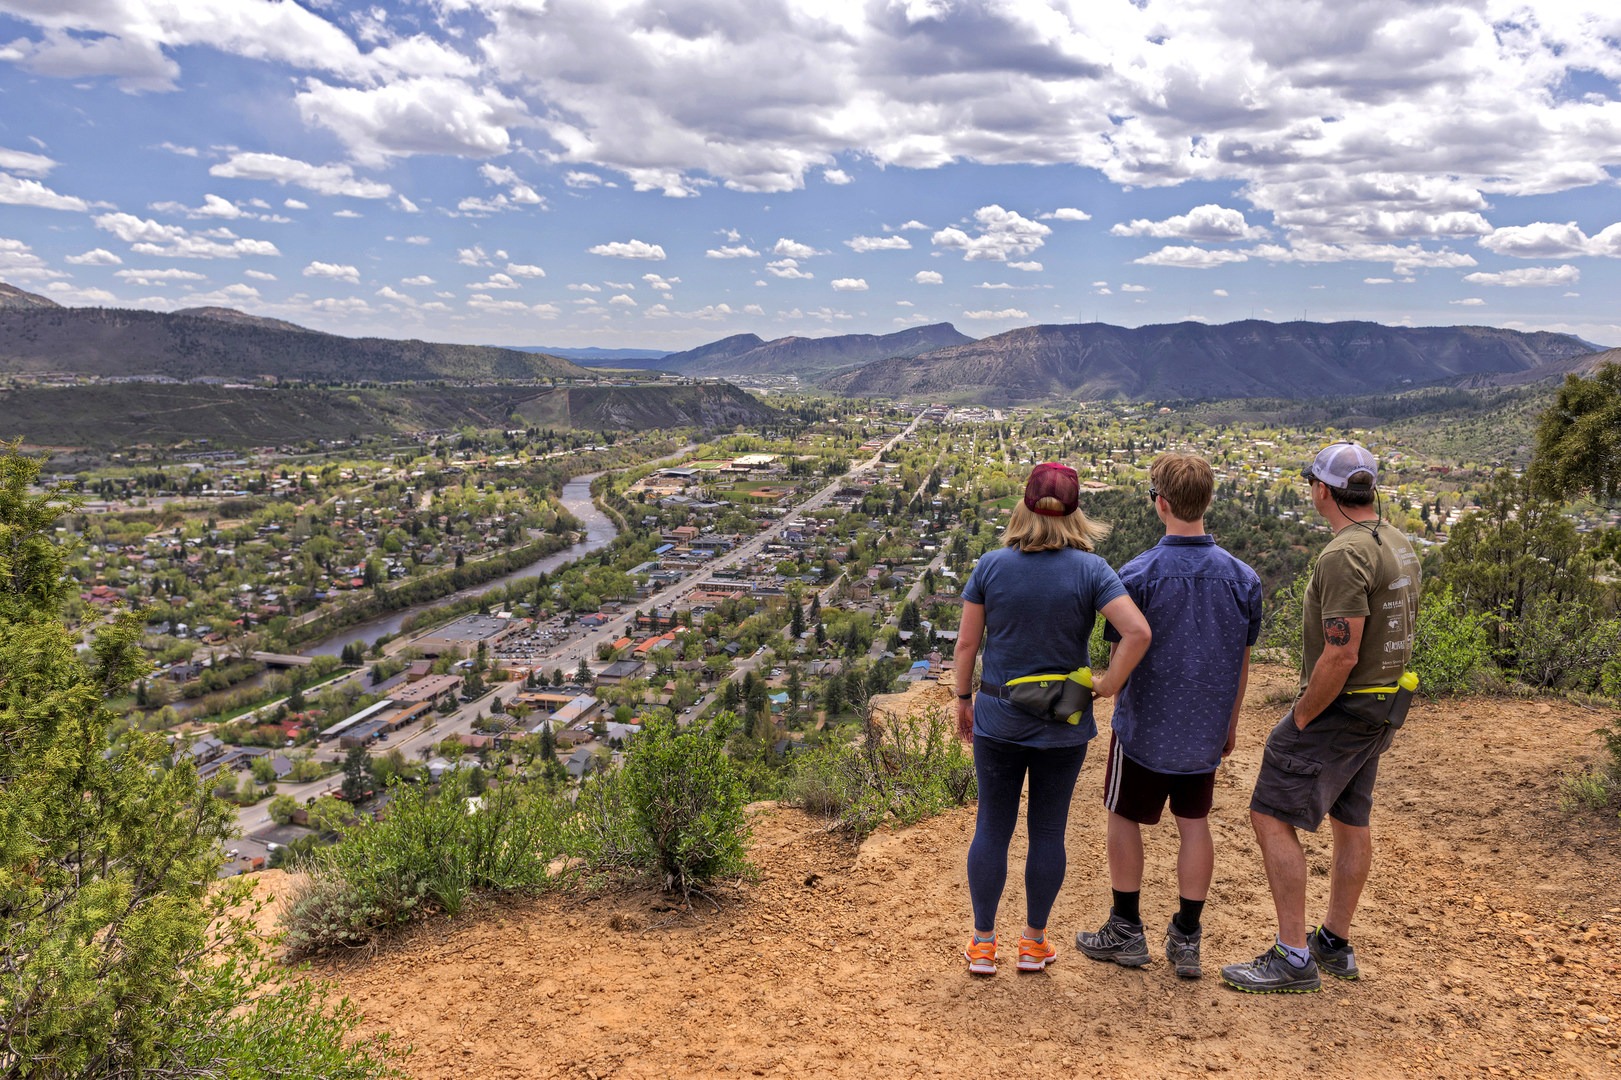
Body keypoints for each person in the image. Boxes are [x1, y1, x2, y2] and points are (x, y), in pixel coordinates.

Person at [1221, 441, 1421, 994]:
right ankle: (1334, 941)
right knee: (1351, 820)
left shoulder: (1343, 555)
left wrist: (1302, 716)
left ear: (1321, 490)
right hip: (1381, 706)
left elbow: (1341, 653)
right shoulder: (1399, 543)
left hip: (1339, 708)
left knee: (1268, 814)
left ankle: (1292, 955)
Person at [953, 462, 1152, 976]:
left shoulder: (991, 566)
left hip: (998, 717)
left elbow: (968, 643)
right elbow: (1138, 633)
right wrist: (1106, 685)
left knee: (991, 827)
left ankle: (982, 944)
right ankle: (1033, 942)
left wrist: (961, 698)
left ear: (1023, 505)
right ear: (1075, 511)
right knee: (1048, 832)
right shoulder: (1092, 570)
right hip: (1064, 723)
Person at [1075, 453, 1263, 979]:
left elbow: (1120, 654)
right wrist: (1230, 723)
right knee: (1195, 824)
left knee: (1122, 816)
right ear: (1206, 501)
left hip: (1143, 729)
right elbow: (1241, 663)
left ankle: (1126, 928)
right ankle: (1186, 937)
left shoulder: (1137, 574)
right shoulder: (1243, 580)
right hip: (1204, 731)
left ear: (1160, 503)